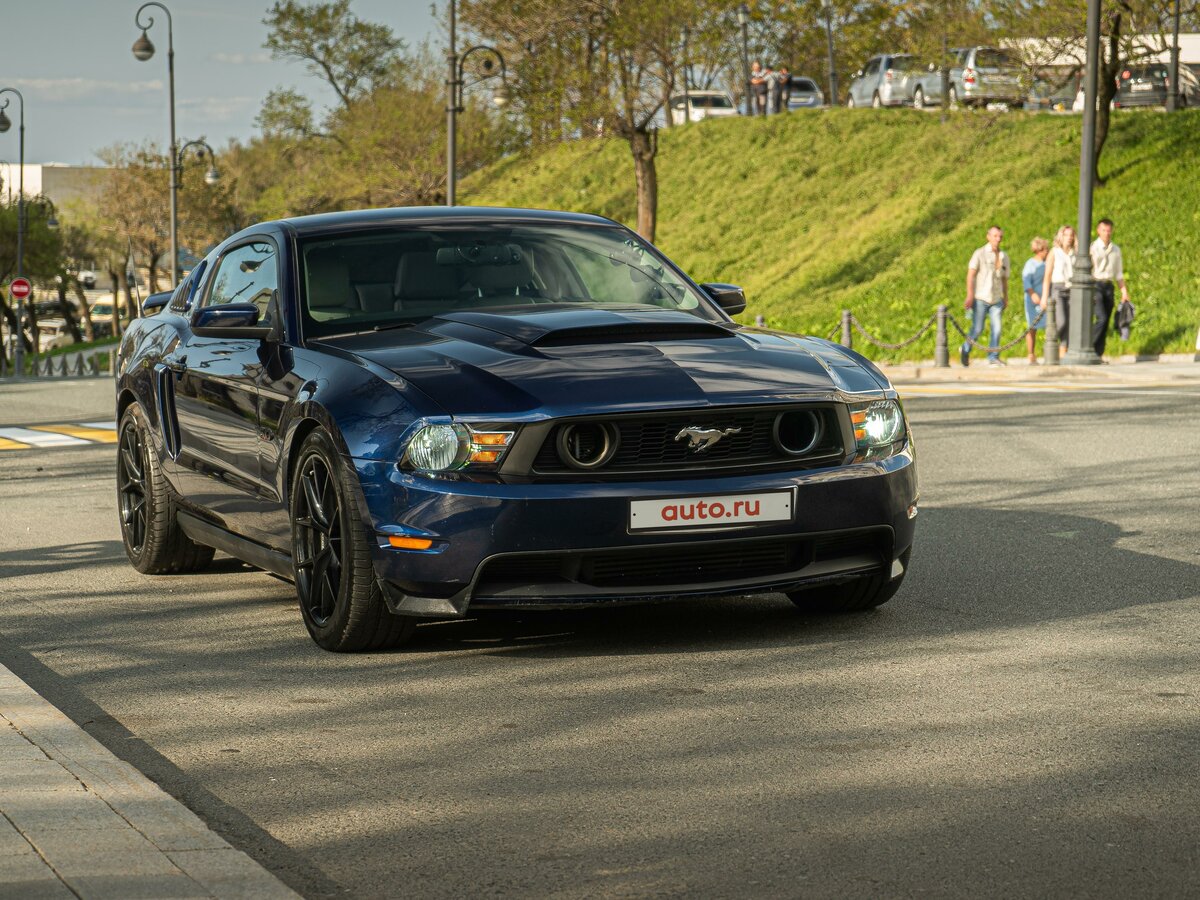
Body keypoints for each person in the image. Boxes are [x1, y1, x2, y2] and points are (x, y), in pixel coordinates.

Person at [962, 225, 1010, 367]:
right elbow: (971, 275)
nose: (998, 239)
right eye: (995, 236)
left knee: (997, 328)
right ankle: (965, 349)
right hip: (981, 297)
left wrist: (1006, 297)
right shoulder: (980, 253)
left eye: (1000, 236)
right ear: (988, 236)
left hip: (996, 298)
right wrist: (970, 295)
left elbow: (1004, 280)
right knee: (977, 328)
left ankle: (993, 357)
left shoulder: (1004, 256)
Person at [1090, 217, 1129, 358]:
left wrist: (1124, 291)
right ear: (1098, 231)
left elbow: (1118, 273)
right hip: (1095, 285)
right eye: (1103, 230)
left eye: (1108, 230)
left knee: (1106, 320)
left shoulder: (1116, 250)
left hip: (1108, 285)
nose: (1106, 233)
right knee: (1101, 317)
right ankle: (1090, 346)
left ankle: (1098, 353)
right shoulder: (1092, 248)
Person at [1041, 225, 1076, 355]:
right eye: (1066, 235)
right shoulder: (1054, 252)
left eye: (1071, 235)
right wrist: (1044, 296)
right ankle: (1051, 344)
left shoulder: (1075, 253)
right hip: (1058, 288)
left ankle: (1063, 349)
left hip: (1071, 288)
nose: (1069, 238)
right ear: (1061, 237)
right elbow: (1047, 275)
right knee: (1061, 321)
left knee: (1071, 322)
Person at [1022, 237, 1049, 363]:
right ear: (1039, 250)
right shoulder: (1030, 264)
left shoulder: (1047, 263)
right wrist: (1032, 294)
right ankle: (1031, 354)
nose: (1047, 252)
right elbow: (1026, 281)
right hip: (1033, 300)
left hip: (1045, 298)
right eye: (1045, 249)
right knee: (1032, 326)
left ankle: (1048, 351)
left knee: (1049, 325)